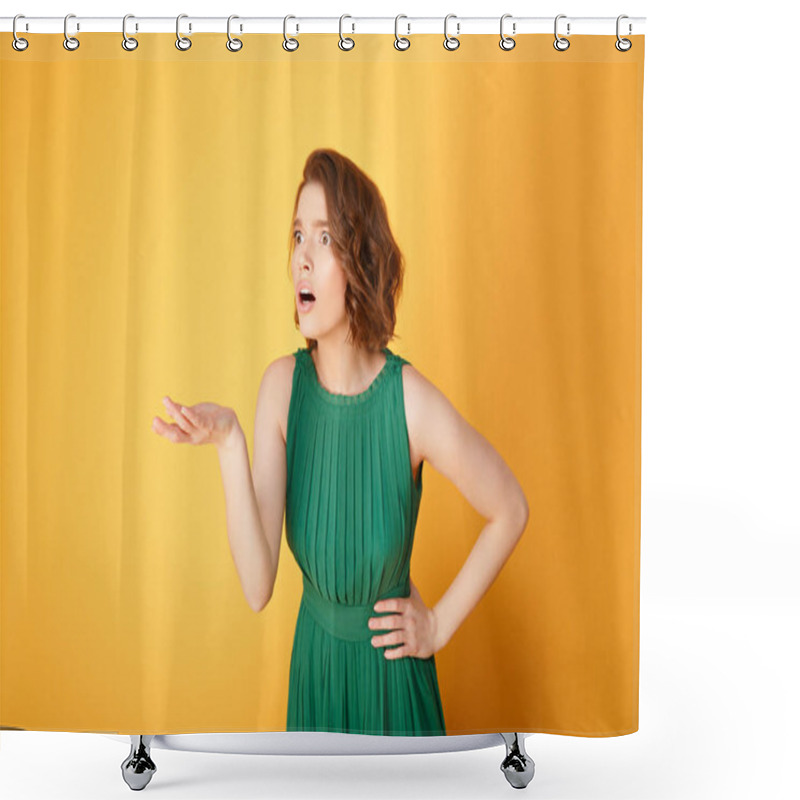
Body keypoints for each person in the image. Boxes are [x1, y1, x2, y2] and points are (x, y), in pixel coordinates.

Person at [152, 148, 530, 736]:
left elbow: (510, 508)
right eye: (298, 235)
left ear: (360, 260)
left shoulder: (410, 402)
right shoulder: (281, 390)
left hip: (393, 689)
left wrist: (438, 625)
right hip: (316, 679)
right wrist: (229, 442)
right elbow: (257, 587)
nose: (301, 257)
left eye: (323, 240)